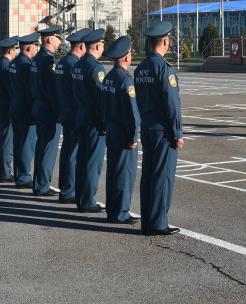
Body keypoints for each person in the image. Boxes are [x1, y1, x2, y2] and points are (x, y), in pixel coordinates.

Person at [135, 21, 183, 236]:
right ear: (165, 41)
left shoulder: (140, 68)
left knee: (149, 175)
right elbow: (172, 105)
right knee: (162, 176)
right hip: (163, 130)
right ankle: (158, 223)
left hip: (146, 126)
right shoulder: (164, 68)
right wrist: (178, 133)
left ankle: (147, 220)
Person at [103, 36, 141, 225]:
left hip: (111, 130)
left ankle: (112, 209)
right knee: (125, 173)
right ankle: (120, 212)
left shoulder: (109, 76)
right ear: (127, 57)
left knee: (113, 172)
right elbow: (132, 113)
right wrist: (133, 136)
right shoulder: (126, 80)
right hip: (123, 133)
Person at [73, 28, 107, 213]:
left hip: (81, 115)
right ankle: (87, 201)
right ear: (98, 46)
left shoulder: (78, 65)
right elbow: (101, 98)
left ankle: (81, 197)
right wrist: (104, 123)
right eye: (102, 44)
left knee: (82, 159)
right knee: (92, 162)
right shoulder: (96, 67)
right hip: (93, 119)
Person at [55, 28, 89, 204]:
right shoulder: (74, 64)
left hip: (65, 110)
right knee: (73, 152)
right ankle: (69, 190)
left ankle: (65, 188)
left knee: (68, 150)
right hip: (74, 112)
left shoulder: (62, 62)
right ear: (82, 46)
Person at [31, 26, 63, 196]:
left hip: (39, 106)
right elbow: (53, 90)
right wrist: (58, 111)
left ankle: (38, 183)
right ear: (50, 39)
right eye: (58, 38)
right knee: (48, 148)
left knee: (41, 145)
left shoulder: (37, 58)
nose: (59, 42)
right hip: (49, 109)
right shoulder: (49, 61)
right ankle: (42, 185)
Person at [10, 32, 40, 189]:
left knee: (19, 141)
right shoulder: (26, 65)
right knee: (27, 143)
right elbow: (30, 89)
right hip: (25, 107)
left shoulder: (15, 62)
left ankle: (18, 174)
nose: (36, 49)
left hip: (15, 104)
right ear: (29, 47)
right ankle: (23, 176)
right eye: (35, 46)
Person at [0, 36, 19, 183]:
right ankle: (5, 173)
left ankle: (3, 170)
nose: (16, 52)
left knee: (1, 139)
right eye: (15, 50)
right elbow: (11, 88)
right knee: (7, 140)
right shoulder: (6, 66)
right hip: (6, 104)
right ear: (10, 50)